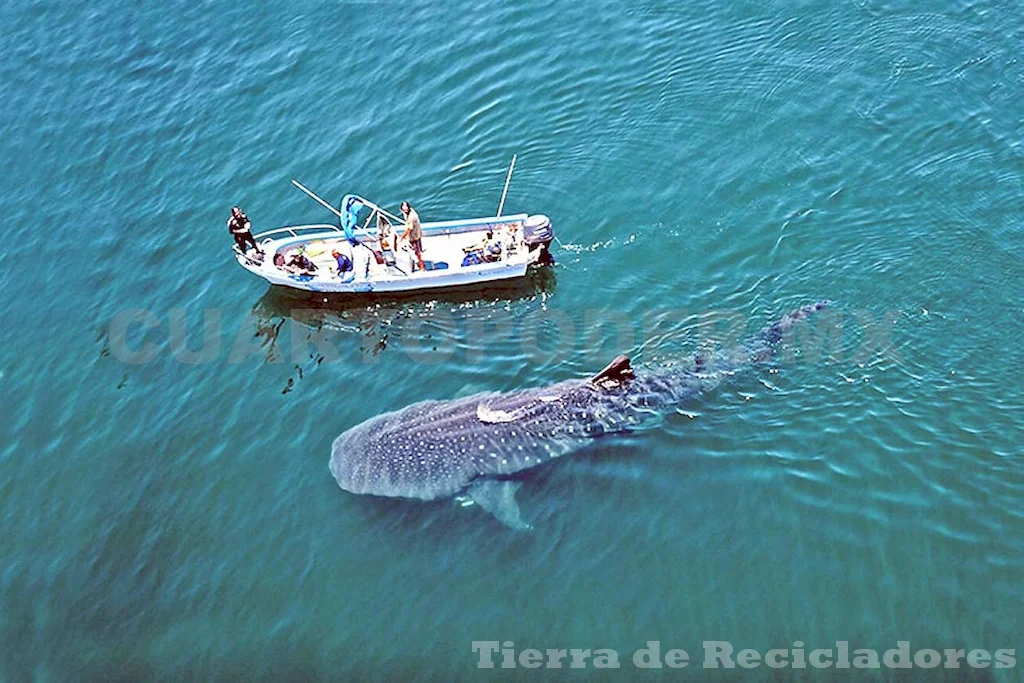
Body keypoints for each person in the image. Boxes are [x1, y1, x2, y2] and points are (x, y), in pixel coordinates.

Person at [399, 201, 426, 271]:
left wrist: (402, 238)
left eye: (406, 210)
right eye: (403, 210)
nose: (405, 211)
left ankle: (422, 266)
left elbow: (409, 229)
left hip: (414, 236)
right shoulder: (408, 212)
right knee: (415, 250)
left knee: (418, 253)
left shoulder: (411, 217)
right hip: (415, 233)